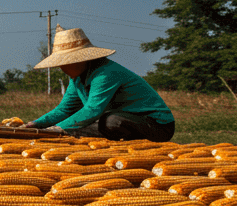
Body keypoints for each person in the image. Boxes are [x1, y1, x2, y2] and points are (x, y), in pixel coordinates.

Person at [24, 26, 175, 141]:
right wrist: (36, 124)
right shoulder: (77, 79)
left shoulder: (106, 73)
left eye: (65, 63)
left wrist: (58, 129)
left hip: (156, 125)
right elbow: (64, 110)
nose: (61, 68)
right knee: (80, 126)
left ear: (80, 59)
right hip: (125, 121)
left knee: (110, 121)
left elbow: (93, 110)